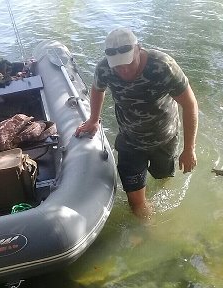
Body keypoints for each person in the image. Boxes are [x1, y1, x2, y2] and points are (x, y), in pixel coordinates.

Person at [75, 27, 198, 220]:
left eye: (128, 63)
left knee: (163, 179)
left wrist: (189, 148)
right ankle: (149, 234)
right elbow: (97, 89)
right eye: (117, 66)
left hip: (164, 139)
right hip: (130, 141)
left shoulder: (163, 66)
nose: (123, 70)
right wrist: (93, 120)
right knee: (136, 203)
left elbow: (190, 104)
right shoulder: (104, 68)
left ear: (138, 49)